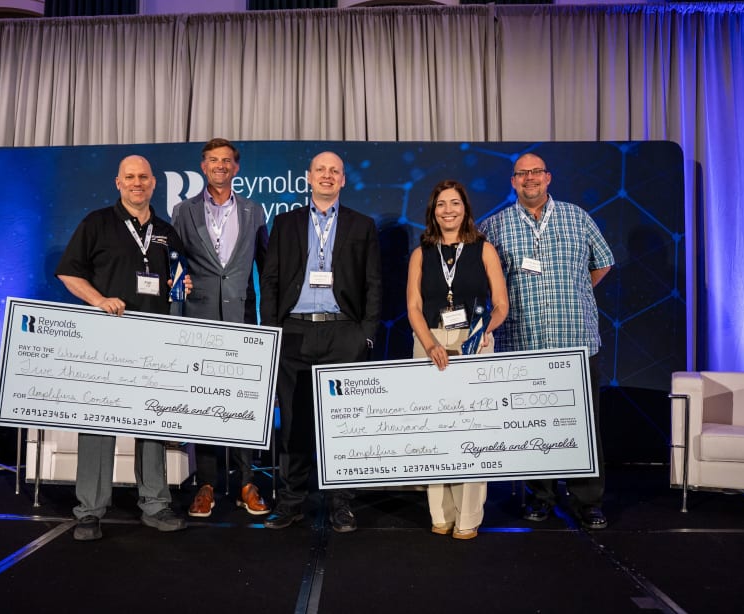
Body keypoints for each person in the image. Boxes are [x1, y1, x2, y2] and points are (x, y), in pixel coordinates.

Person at [55, 154, 189, 541]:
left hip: (153, 340)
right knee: (99, 424)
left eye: (143, 177)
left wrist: (181, 286)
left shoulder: (166, 231)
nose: (137, 183)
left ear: (153, 182)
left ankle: (155, 504)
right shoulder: (97, 222)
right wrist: (98, 300)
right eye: (129, 177)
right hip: (106, 340)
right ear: (118, 182)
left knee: (151, 423)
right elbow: (68, 271)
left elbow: (174, 280)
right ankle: (90, 511)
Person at [478, 153, 614, 530]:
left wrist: (574, 292)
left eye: (536, 172)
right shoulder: (495, 225)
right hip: (524, 344)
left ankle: (588, 501)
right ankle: (541, 495)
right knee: (533, 425)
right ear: (513, 182)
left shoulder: (577, 217)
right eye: (522, 174)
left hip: (576, 341)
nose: (530, 179)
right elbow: (483, 279)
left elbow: (602, 262)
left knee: (583, 425)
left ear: (548, 177)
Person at [259, 151, 382, 533]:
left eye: (335, 171)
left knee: (342, 425)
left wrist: (366, 335)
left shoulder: (362, 225)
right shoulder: (285, 223)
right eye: (321, 170)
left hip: (343, 332)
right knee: (294, 422)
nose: (327, 176)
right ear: (308, 178)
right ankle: (291, 501)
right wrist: (273, 330)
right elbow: (271, 281)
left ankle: (341, 504)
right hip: (295, 332)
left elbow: (373, 283)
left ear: (343, 180)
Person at [171, 138, 271, 519]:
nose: (220, 166)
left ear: (236, 168)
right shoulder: (183, 211)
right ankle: (207, 485)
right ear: (203, 166)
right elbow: (175, 261)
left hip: (243, 318)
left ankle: (247, 482)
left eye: (227, 161)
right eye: (214, 160)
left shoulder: (254, 211)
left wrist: (268, 318)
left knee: (244, 401)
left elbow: (266, 267)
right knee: (205, 401)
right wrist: (180, 284)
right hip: (199, 320)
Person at [406, 179, 508, 540]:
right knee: (434, 432)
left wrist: (480, 335)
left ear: (465, 208)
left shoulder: (484, 249)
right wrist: (429, 341)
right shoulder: (421, 252)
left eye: (455, 203)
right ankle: (440, 512)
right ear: (432, 212)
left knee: (471, 431)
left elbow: (501, 304)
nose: (448, 210)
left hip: (474, 341)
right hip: (430, 342)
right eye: (441, 205)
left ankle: (468, 517)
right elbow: (414, 306)